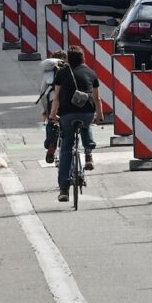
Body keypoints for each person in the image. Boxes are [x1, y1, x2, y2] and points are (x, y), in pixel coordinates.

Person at [48, 46, 103, 202]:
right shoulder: (91, 73)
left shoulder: (62, 73)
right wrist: (99, 115)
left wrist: (52, 115)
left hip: (66, 114)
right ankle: (88, 151)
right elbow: (97, 98)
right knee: (86, 125)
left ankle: (64, 190)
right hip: (86, 113)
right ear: (83, 58)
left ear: (67, 60)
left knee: (66, 149)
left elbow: (56, 98)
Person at [37, 51, 67, 164]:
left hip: (51, 101)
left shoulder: (47, 74)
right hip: (66, 102)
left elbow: (43, 93)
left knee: (52, 123)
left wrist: (45, 110)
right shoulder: (69, 71)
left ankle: (51, 146)